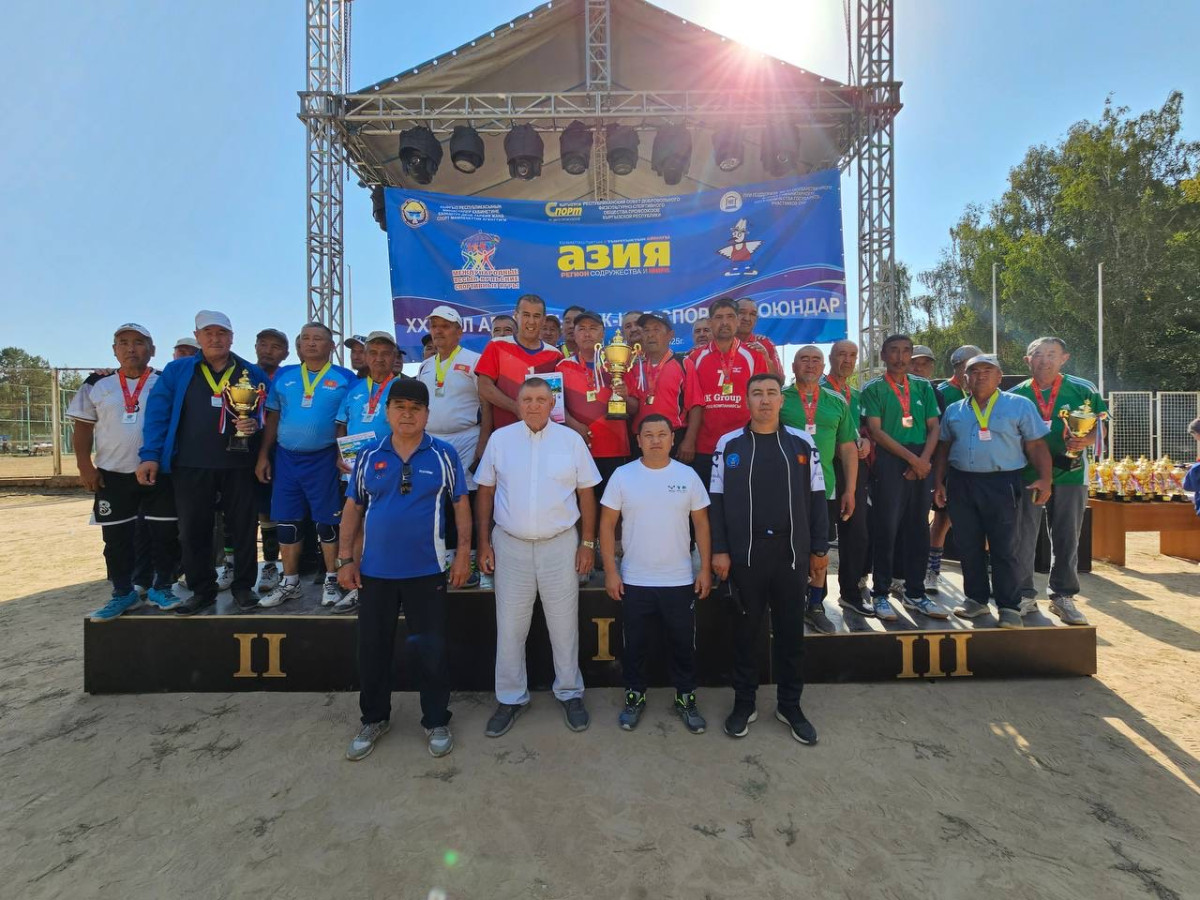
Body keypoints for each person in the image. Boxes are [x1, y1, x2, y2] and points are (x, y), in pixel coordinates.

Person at [338, 379, 472, 761]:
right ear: (388, 412)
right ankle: (374, 718)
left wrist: (463, 554)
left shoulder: (443, 454)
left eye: (416, 408)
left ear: (427, 414)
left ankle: (436, 720)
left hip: (426, 572)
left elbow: (460, 505)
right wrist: (345, 559)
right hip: (375, 572)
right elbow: (353, 508)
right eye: (400, 406)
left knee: (431, 650)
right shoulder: (368, 455)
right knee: (372, 650)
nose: (408, 414)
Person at [475, 378, 601, 737]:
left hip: (560, 545)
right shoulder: (500, 440)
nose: (533, 405)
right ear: (518, 403)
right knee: (510, 627)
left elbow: (587, 495)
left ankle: (570, 693)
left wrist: (587, 543)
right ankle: (511, 697)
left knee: (564, 625)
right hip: (510, 545)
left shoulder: (571, 441)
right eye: (527, 399)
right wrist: (483, 544)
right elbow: (485, 493)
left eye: (541, 399)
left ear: (552, 403)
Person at [710, 374, 829, 744]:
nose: (764, 400)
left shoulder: (802, 442)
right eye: (757, 393)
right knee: (746, 633)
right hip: (746, 555)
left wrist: (819, 550)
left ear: (782, 400)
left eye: (771, 393)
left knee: (791, 634)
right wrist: (720, 549)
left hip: (791, 555)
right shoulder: (728, 444)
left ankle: (790, 705)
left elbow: (818, 497)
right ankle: (744, 703)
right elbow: (716, 502)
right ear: (746, 400)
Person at [137, 310, 267, 615]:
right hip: (190, 464)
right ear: (197, 337)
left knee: (244, 529)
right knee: (193, 530)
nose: (215, 339)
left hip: (239, 464)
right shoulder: (178, 371)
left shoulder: (251, 373)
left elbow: (266, 413)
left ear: (232, 337)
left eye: (222, 333)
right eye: (208, 333)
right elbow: (158, 414)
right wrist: (150, 455)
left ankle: (243, 588)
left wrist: (255, 424)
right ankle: (202, 590)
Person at [600, 414, 712, 733]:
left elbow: (702, 524)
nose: (655, 440)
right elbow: (607, 525)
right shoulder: (623, 476)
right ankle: (634, 696)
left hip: (679, 579)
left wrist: (704, 568)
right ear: (638, 441)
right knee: (635, 645)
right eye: (648, 435)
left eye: (662, 434)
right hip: (635, 579)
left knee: (682, 645)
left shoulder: (688, 476)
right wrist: (610, 571)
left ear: (672, 439)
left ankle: (685, 698)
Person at [70, 323, 181, 619]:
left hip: (159, 473)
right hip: (112, 474)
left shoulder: (164, 382)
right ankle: (122, 593)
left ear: (152, 350)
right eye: (123, 342)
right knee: (116, 539)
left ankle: (162, 587)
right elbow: (83, 427)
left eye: (139, 342)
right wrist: (85, 466)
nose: (131, 348)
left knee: (164, 534)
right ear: (114, 350)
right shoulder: (97, 383)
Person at [934, 354, 1052, 628]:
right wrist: (938, 482)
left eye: (988, 370)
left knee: (1005, 546)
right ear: (965, 379)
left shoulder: (1019, 405)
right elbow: (944, 448)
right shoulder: (954, 410)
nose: (981, 376)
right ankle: (975, 600)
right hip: (962, 483)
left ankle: (1009, 607)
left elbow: (1036, 445)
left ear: (999, 377)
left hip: (1002, 483)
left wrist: (1046, 479)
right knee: (968, 545)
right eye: (974, 371)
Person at [255, 323, 356, 609]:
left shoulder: (345, 378)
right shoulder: (285, 376)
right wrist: (263, 455)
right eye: (306, 339)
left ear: (331, 346)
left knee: (327, 522)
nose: (311, 343)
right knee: (287, 522)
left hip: (324, 459)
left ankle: (331, 580)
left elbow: (350, 421)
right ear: (299, 346)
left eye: (319, 339)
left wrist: (344, 455)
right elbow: (273, 418)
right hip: (286, 458)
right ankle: (290, 582)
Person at [1009, 337, 1108, 625]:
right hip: (1028, 475)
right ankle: (1023, 594)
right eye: (1038, 354)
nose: (1045, 360)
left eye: (1052, 354)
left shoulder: (1083, 389)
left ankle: (1063, 596)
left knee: (1066, 536)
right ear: (1028, 360)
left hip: (1070, 474)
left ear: (1064, 358)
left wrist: (1084, 441)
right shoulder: (1015, 395)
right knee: (1023, 536)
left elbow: (1100, 428)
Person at [861, 334, 943, 621]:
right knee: (886, 528)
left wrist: (923, 460)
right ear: (883, 355)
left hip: (922, 459)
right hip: (890, 460)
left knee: (918, 528)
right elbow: (876, 431)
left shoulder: (923, 387)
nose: (900, 357)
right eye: (893, 351)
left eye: (906, 351)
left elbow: (934, 427)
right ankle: (880, 593)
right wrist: (912, 460)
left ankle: (915, 592)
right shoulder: (873, 388)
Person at [780, 346, 858, 633]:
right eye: (804, 359)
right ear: (793, 366)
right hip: (785, 489)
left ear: (824, 367)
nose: (810, 364)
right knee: (784, 548)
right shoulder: (779, 399)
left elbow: (847, 448)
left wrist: (850, 490)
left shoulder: (836, 401)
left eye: (816, 360)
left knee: (819, 549)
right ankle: (786, 603)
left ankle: (815, 605)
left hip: (823, 489)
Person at [417, 306, 489, 587]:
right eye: (434, 326)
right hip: (432, 442)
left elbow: (486, 405)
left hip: (467, 439)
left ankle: (468, 557)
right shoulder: (425, 366)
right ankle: (444, 557)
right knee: (439, 500)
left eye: (445, 326)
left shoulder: (474, 361)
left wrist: (483, 443)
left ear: (459, 332)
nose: (438, 331)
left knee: (466, 498)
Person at [333, 331, 403, 614]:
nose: (379, 358)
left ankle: (394, 587)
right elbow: (341, 423)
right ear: (365, 356)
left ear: (394, 357)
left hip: (392, 468)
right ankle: (357, 586)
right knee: (355, 526)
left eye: (385, 353)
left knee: (390, 527)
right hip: (355, 469)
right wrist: (339, 453)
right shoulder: (354, 389)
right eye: (373, 353)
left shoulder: (403, 386)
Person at [679, 297, 768, 488]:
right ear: (711, 322)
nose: (725, 322)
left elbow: (762, 401)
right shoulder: (695, 357)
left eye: (730, 317)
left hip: (743, 445)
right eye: (719, 317)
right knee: (705, 502)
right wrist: (690, 440)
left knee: (740, 501)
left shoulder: (754, 356)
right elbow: (692, 402)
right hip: (704, 447)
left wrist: (761, 442)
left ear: (737, 321)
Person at [820, 339, 873, 616]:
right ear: (831, 357)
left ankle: (851, 593)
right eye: (842, 354)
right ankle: (814, 599)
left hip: (853, 470)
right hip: (824, 469)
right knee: (819, 536)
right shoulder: (817, 390)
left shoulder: (858, 394)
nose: (847, 360)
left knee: (857, 532)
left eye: (852, 355)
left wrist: (866, 442)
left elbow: (864, 429)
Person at [925, 344, 984, 592]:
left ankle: (984, 575)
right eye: (969, 367)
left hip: (979, 469)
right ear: (958, 367)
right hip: (948, 467)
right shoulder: (942, 393)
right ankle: (932, 570)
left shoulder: (986, 393)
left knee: (980, 523)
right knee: (942, 520)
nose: (975, 372)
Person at [557, 310, 633, 498]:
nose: (587, 333)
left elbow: (635, 408)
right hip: (578, 448)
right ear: (574, 334)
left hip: (614, 448)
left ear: (602, 333)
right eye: (581, 329)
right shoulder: (562, 366)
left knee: (613, 505)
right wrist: (574, 425)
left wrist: (625, 396)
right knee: (582, 504)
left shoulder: (620, 362)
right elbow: (555, 406)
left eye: (593, 328)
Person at [475, 295, 562, 431]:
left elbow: (558, 397)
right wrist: (516, 408)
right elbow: (484, 387)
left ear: (544, 320)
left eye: (536, 316)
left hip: (544, 433)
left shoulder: (555, 355)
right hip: (506, 433)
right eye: (526, 315)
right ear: (516, 315)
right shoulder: (497, 345)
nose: (531, 321)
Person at [251, 327, 291, 593]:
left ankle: (270, 564)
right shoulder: (242, 374)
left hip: (278, 449)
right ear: (255, 346)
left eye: (275, 347)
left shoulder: (289, 378)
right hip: (243, 448)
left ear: (286, 353)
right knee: (240, 510)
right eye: (263, 344)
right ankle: (232, 564)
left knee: (270, 508)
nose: (268, 350)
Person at [627, 313, 689, 444]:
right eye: (646, 330)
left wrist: (689, 440)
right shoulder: (635, 366)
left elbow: (695, 406)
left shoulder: (684, 364)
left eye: (656, 329)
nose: (650, 335)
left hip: (674, 435)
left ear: (670, 335)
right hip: (641, 437)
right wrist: (622, 396)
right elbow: (633, 408)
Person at [734, 297, 783, 376]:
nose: (747, 318)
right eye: (742, 312)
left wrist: (766, 359)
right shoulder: (722, 343)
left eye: (752, 314)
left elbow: (780, 380)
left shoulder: (765, 344)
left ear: (756, 319)